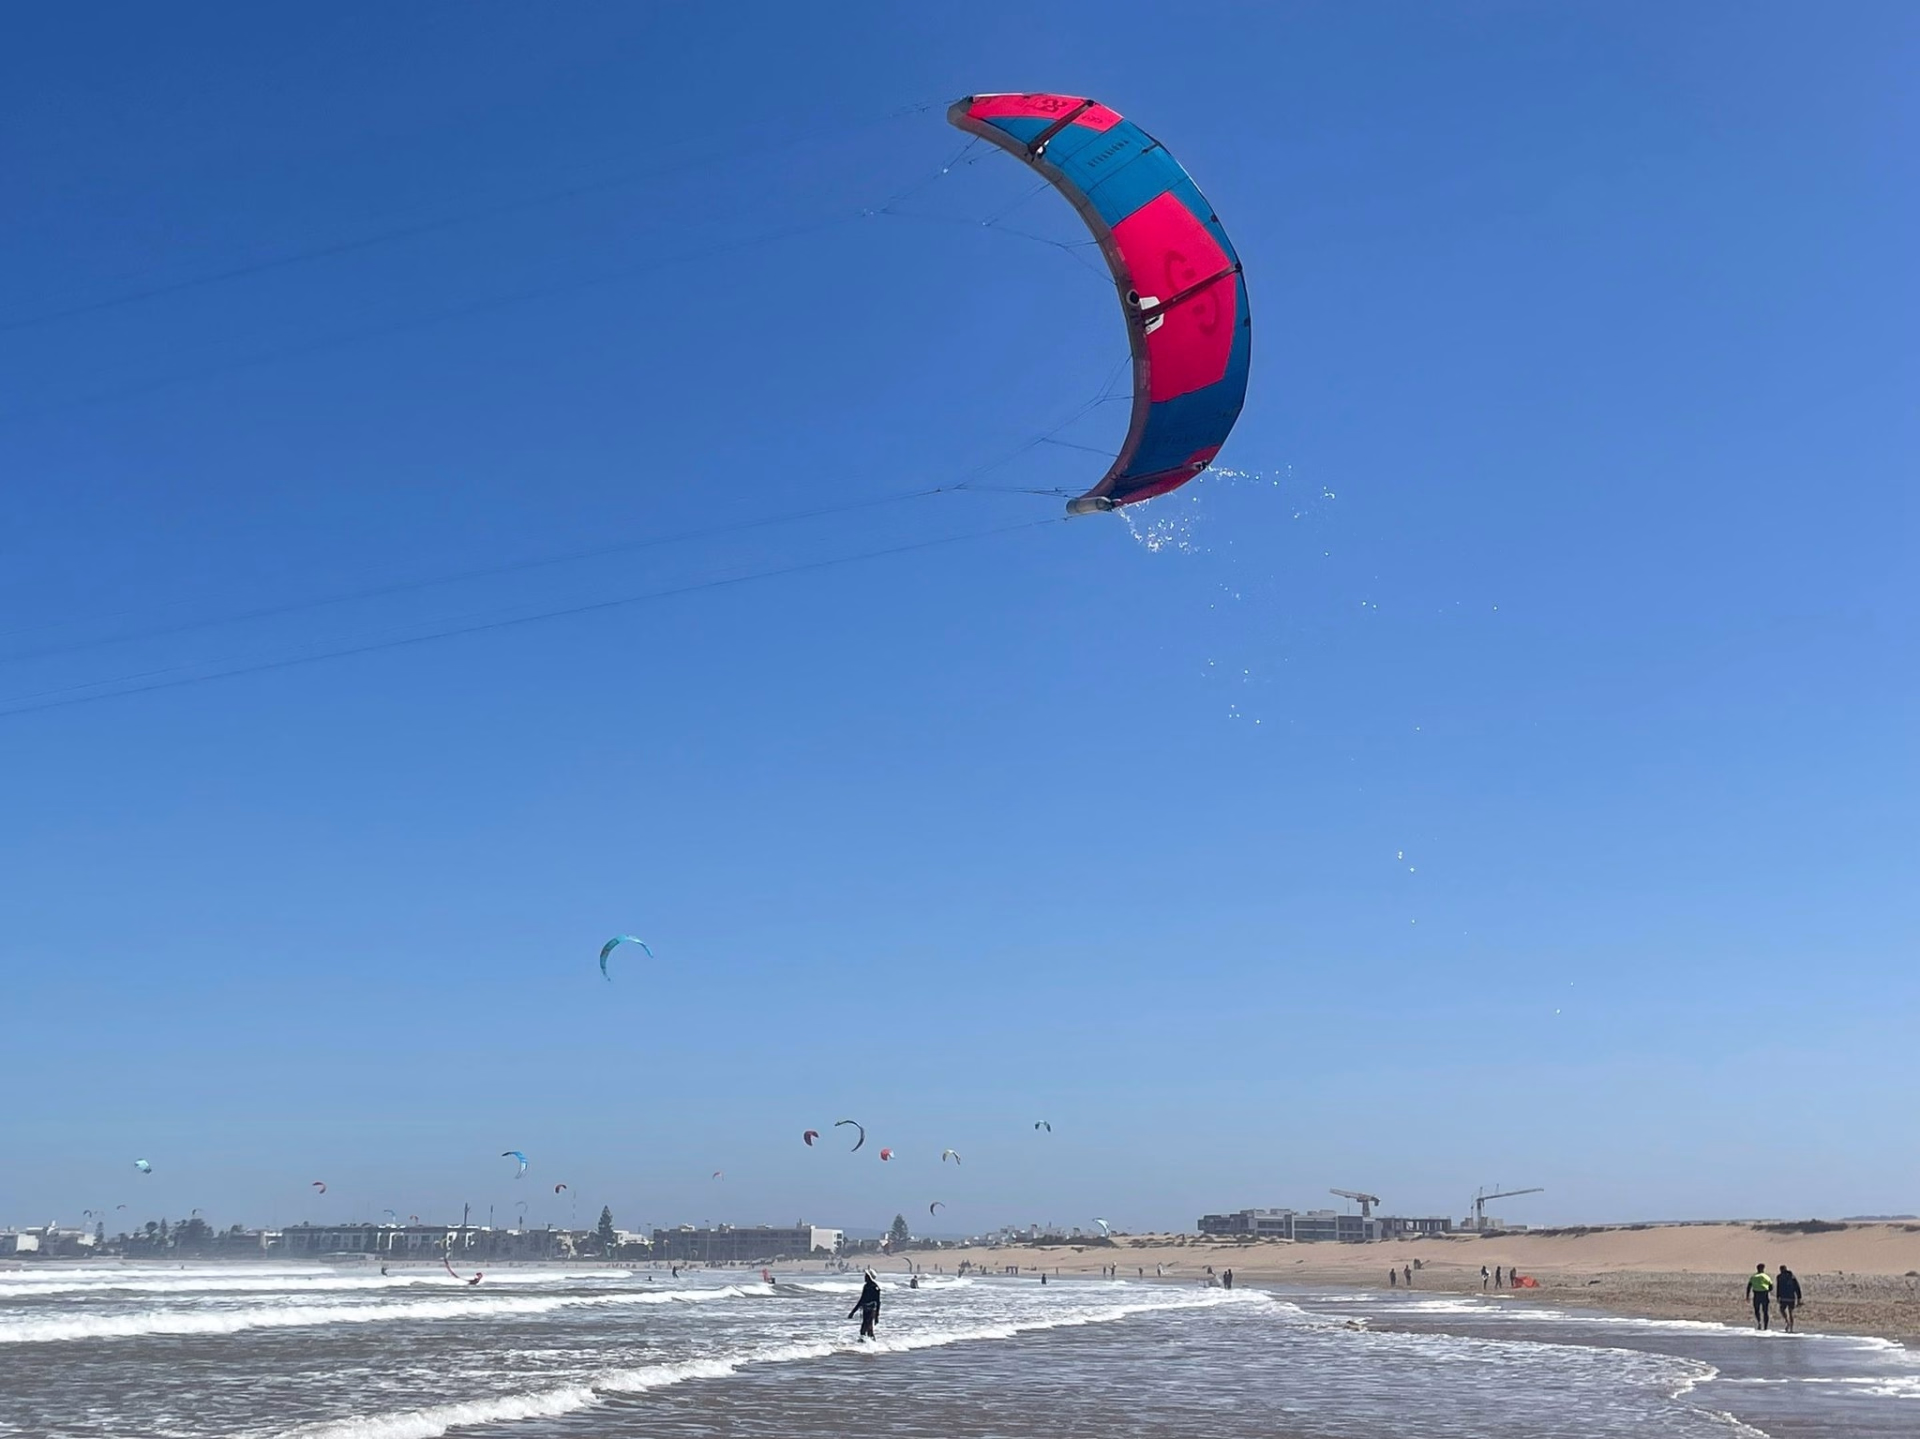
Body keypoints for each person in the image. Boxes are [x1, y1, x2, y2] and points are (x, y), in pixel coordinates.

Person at [850, 1269, 882, 1340]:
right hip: (865, 1310)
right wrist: (853, 1312)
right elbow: (862, 1300)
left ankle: (867, 1345)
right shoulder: (866, 1286)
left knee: (865, 1329)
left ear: (869, 1277)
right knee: (867, 1329)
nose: (865, 1277)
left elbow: (878, 1302)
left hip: (871, 1311)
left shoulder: (875, 1288)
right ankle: (869, 1345)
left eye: (866, 1276)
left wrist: (876, 1316)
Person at [1747, 1263, 1774, 1330]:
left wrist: (1747, 1296)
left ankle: (1759, 1322)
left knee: (1757, 1310)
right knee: (1765, 1311)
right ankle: (1765, 1326)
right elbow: (1771, 1287)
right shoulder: (1766, 1277)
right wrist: (1768, 1290)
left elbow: (1749, 1286)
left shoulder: (1753, 1277)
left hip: (1757, 1295)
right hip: (1764, 1294)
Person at [1776, 1267, 1802, 1332]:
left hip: (1784, 1297)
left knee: (1783, 1310)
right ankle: (1790, 1327)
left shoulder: (1780, 1277)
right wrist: (1799, 1298)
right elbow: (1797, 1288)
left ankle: (1787, 1322)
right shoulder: (1791, 1277)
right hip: (1790, 1297)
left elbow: (1778, 1287)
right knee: (1790, 1312)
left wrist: (1778, 1296)